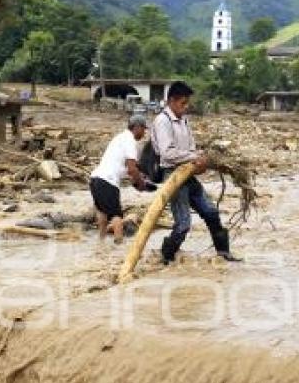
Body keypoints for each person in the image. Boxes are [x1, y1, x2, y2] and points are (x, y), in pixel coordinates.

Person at [151, 81, 238, 263]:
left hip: (188, 173)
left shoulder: (184, 120)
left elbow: (191, 148)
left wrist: (198, 161)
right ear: (172, 101)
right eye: (183, 103)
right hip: (173, 175)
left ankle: (224, 253)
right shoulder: (162, 121)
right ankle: (166, 258)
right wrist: (193, 157)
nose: (186, 106)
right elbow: (167, 153)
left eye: (187, 103)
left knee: (211, 212)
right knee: (183, 224)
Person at [89, 115, 155, 244]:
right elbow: (131, 169)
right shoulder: (130, 141)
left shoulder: (119, 138)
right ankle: (119, 246)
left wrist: (136, 178)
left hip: (95, 179)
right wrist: (141, 184)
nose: (144, 132)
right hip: (108, 180)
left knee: (103, 213)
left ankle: (100, 245)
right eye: (143, 129)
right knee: (116, 215)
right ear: (136, 127)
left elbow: (124, 168)